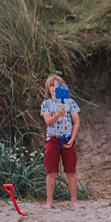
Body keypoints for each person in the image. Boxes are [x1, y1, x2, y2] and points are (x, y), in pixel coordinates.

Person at [40, 74, 80, 208]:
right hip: (53, 139)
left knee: (70, 170)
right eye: (52, 85)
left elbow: (76, 122)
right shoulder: (46, 104)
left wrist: (72, 138)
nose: (55, 88)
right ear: (48, 88)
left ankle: (74, 200)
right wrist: (58, 114)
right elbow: (48, 121)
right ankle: (49, 201)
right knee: (51, 171)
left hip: (67, 139)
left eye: (57, 85)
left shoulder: (70, 102)